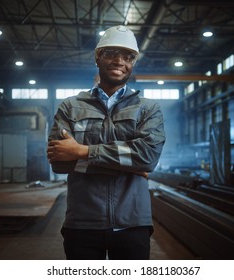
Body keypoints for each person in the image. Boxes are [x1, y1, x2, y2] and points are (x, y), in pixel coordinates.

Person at [47, 25, 165, 260]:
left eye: (128, 56)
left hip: (132, 223)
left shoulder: (148, 108)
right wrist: (129, 165)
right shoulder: (70, 106)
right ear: (97, 57)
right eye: (111, 53)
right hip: (82, 223)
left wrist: (81, 151)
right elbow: (59, 163)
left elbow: (147, 158)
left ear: (133, 64)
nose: (119, 61)